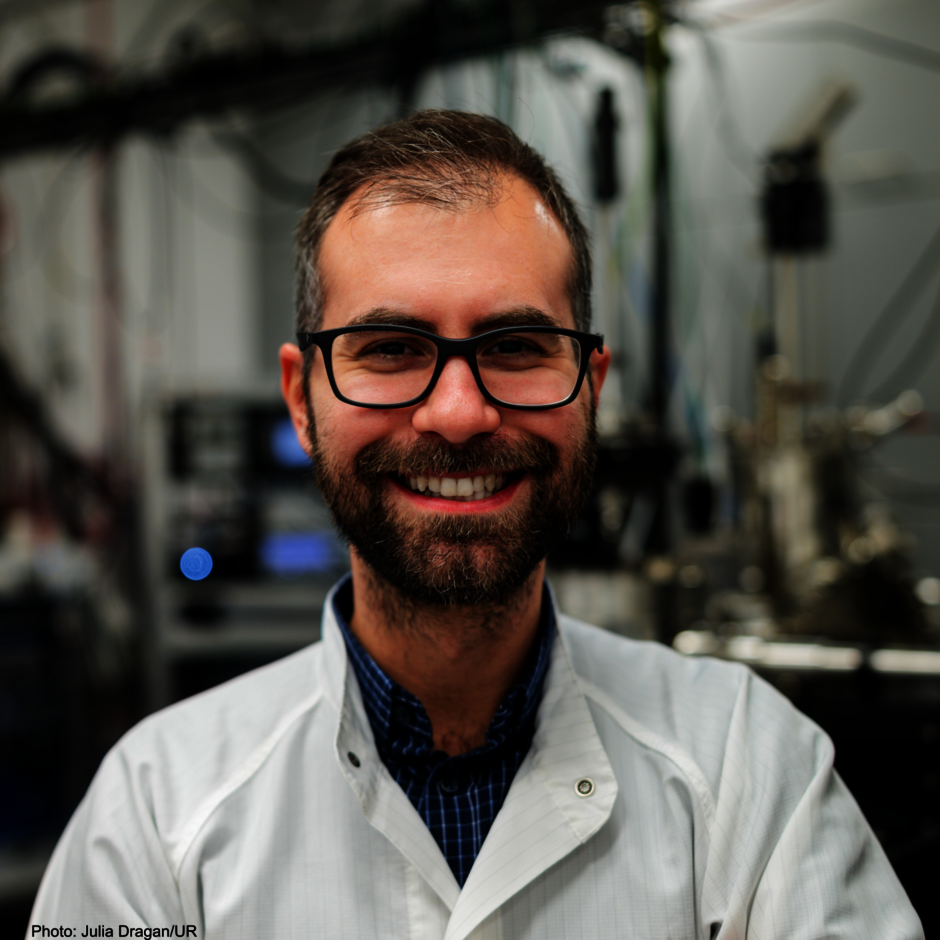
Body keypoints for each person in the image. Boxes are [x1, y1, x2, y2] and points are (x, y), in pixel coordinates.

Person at [30, 110, 921, 940]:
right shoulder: (151, 817)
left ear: (590, 391)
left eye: (515, 348)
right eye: (391, 349)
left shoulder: (749, 769)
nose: (458, 413)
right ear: (302, 400)